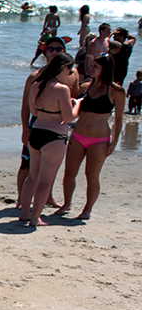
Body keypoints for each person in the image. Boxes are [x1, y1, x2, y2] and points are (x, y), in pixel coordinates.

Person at [57, 52, 124, 220]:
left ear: (105, 68)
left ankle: (87, 210)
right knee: (69, 172)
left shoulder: (116, 91)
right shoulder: (85, 87)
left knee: (92, 176)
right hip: (78, 135)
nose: (91, 68)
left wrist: (114, 142)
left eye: (96, 66)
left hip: (99, 140)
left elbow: (119, 118)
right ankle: (66, 204)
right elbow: (73, 108)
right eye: (91, 65)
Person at [23, 53, 80, 226]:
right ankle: (35, 218)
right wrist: (77, 105)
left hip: (37, 131)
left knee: (32, 177)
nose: (70, 74)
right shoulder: (62, 89)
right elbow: (69, 117)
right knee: (45, 180)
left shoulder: (36, 85)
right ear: (63, 69)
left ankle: (25, 211)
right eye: (69, 70)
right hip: (54, 136)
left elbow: (33, 112)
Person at [16, 35, 69, 211]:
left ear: (64, 51)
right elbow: (26, 106)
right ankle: (20, 199)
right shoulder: (35, 77)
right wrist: (25, 129)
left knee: (49, 167)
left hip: (57, 126)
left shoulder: (70, 76)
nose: (54, 52)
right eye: (51, 49)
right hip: (37, 124)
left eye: (58, 49)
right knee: (27, 165)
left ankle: (48, 197)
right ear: (45, 52)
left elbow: (73, 96)